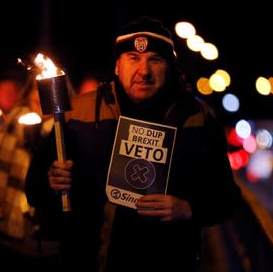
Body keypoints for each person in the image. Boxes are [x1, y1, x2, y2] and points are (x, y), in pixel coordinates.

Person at [25, 16, 242, 272]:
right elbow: (34, 189)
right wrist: (51, 182)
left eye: (155, 59)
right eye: (133, 58)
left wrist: (188, 208)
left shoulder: (198, 120)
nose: (144, 71)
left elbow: (227, 198)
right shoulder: (77, 115)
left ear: (169, 67)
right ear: (117, 66)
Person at [0, 67, 60, 272]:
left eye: (45, 87)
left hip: (53, 251)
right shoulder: (4, 133)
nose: (38, 95)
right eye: (34, 89)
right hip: (6, 248)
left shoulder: (68, 137)